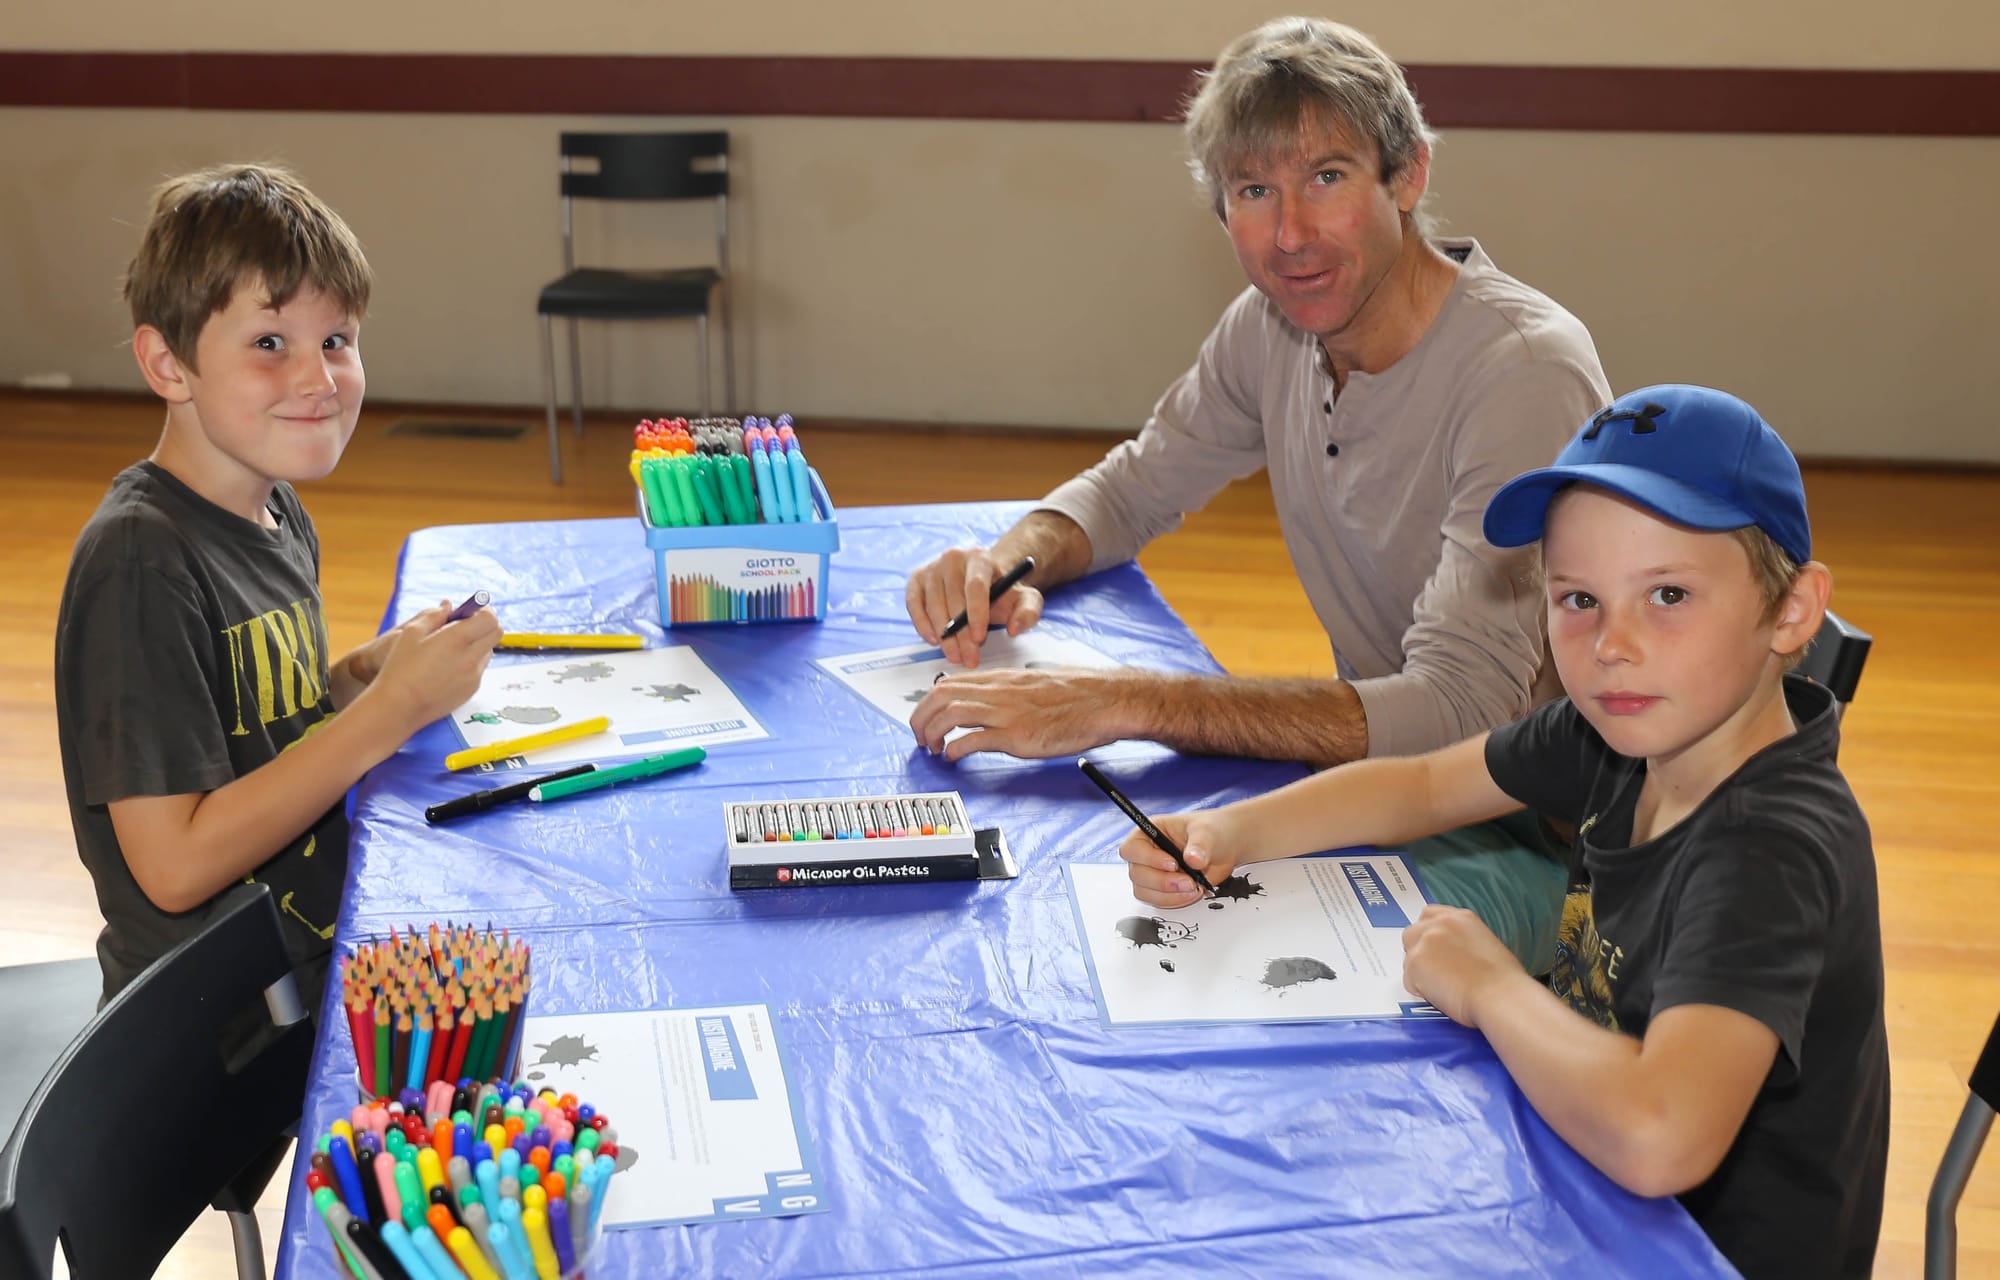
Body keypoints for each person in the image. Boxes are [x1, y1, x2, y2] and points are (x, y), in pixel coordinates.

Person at [1118, 384, 1887, 1280]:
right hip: (1584, 1181)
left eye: (1668, 594)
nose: (1612, 645)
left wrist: (1489, 985)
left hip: (1696, 1251)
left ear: (1792, 612)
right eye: (1578, 599)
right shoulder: (1623, 732)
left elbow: (1658, 1136)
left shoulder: (1768, 849)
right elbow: (1422, 785)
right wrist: (1229, 831)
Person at [905, 16, 1610, 969]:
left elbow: (1463, 716)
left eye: (1327, 179)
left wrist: (1123, 702)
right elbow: (1137, 483)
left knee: (1214, 952)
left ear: (1408, 177)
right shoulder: (1273, 327)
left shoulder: (1522, 371)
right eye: (1253, 191)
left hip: (1552, 845)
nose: (1290, 236)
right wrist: (1010, 557)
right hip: (1393, 790)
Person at [53, 163, 502, 1017]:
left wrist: (356, 680)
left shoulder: (275, 510)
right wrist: (388, 716)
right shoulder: (139, 563)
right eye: (270, 343)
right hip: (210, 1033)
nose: (318, 379)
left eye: (337, 340)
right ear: (167, 362)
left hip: (304, 964)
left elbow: (249, 731)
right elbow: (175, 867)